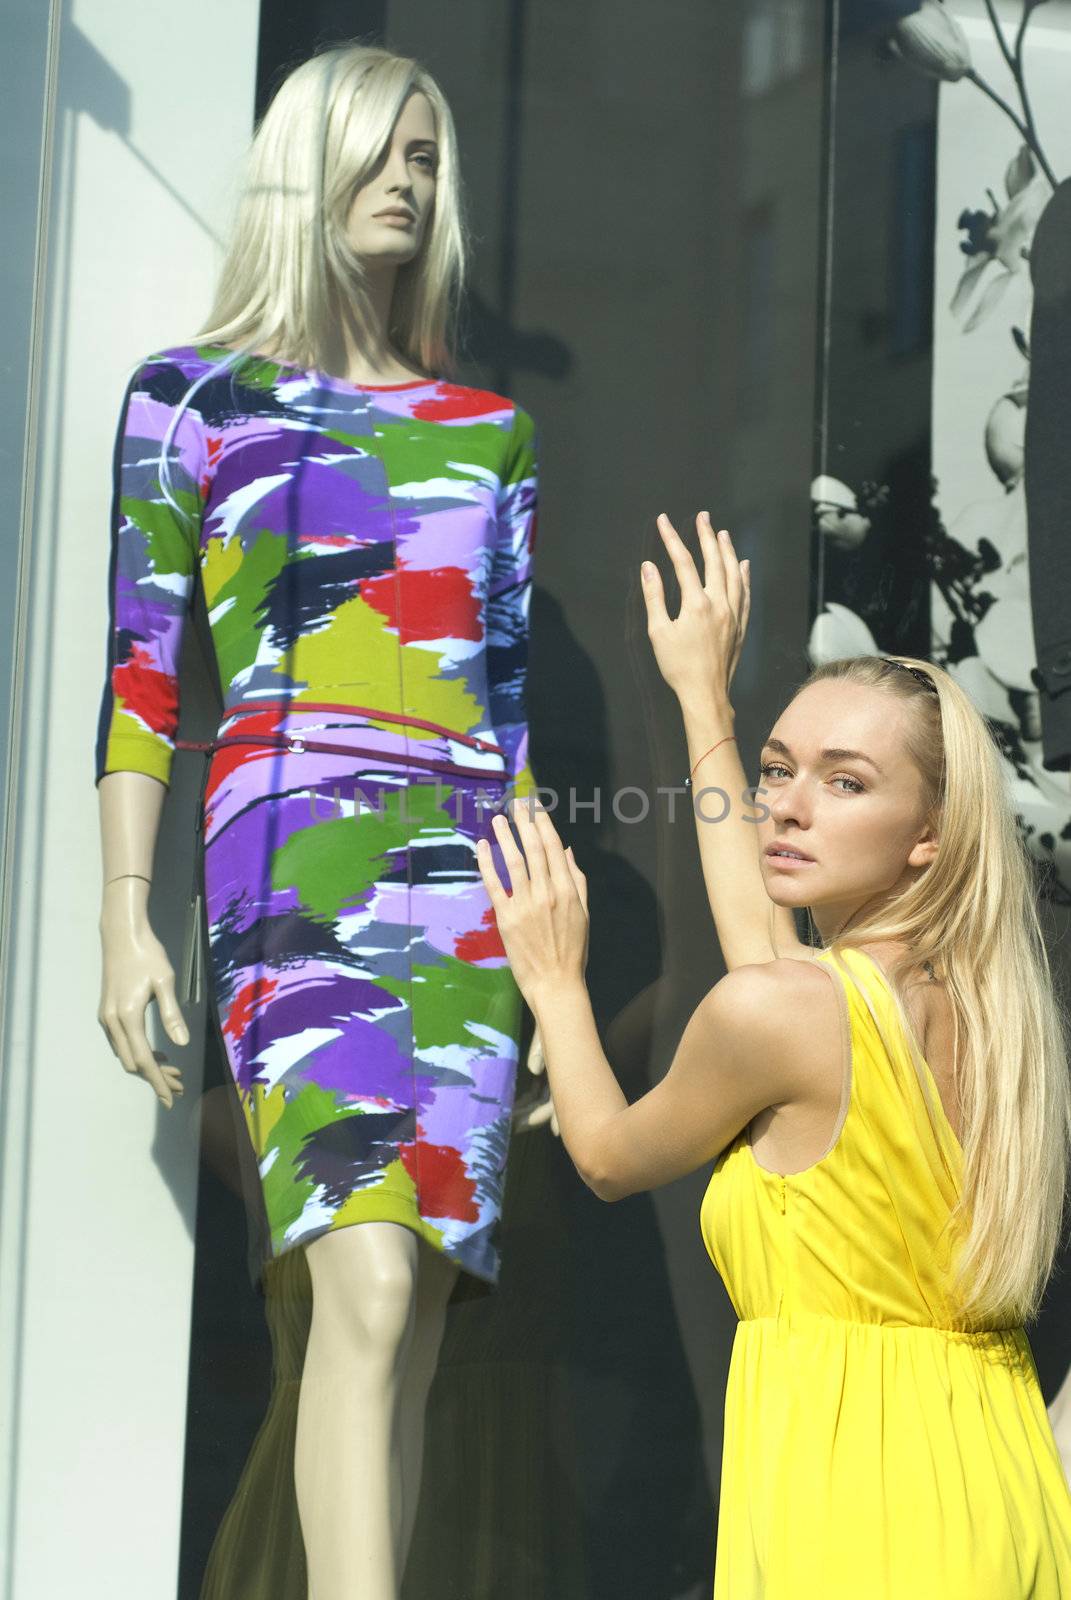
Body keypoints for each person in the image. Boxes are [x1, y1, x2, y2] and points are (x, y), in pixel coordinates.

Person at [95, 42, 541, 1600]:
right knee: (356, 1282)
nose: (409, 183)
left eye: (430, 158)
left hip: (472, 880)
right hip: (290, 855)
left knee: (410, 1312)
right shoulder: (191, 398)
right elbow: (146, 677)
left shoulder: (487, 433)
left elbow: (508, 710)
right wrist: (121, 910)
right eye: (381, 151)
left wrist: (544, 961)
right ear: (312, 163)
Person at [477, 509, 1071, 1597]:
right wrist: (705, 696)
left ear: (929, 833)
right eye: (778, 769)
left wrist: (557, 982)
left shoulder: (787, 1014)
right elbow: (761, 941)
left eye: (845, 783)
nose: (787, 806)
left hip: (859, 1513)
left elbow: (607, 1155)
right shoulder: (988, 1013)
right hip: (1003, 1491)